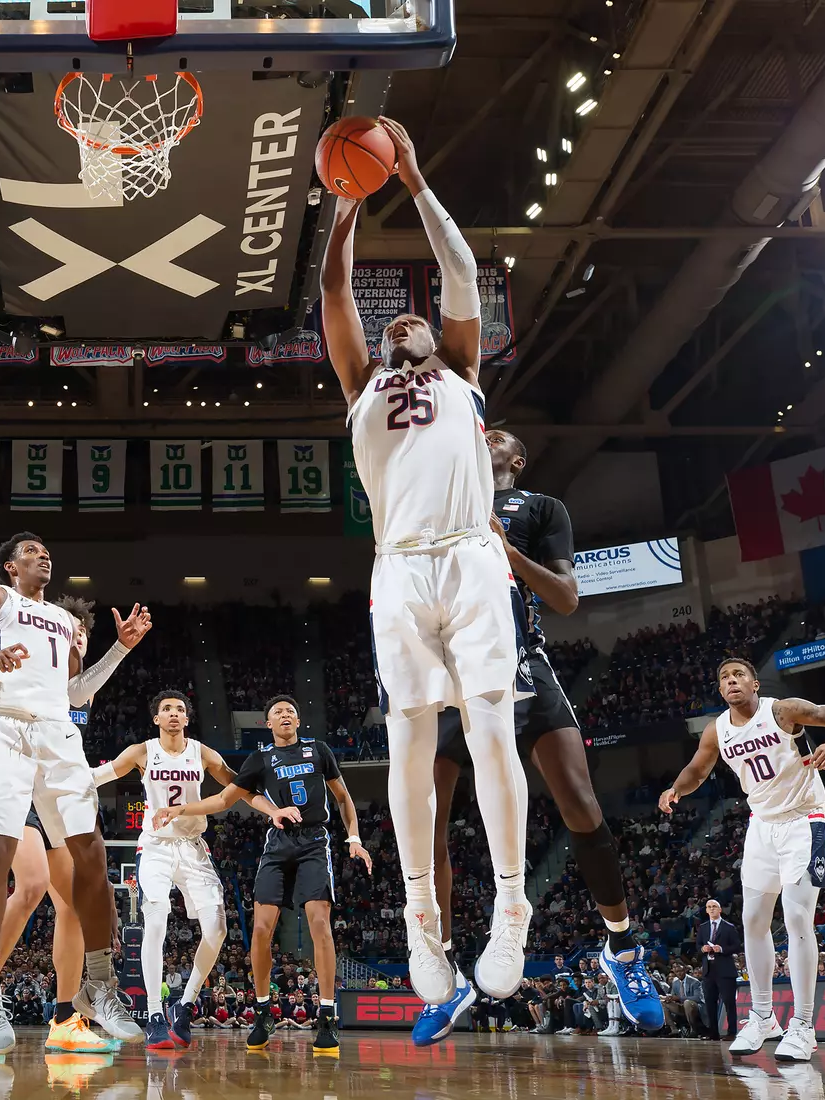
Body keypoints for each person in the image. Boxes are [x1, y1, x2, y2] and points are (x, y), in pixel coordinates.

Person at [321, 115, 532, 1008]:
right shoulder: (360, 383)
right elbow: (334, 289)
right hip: (399, 565)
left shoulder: (462, 370)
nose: (403, 317)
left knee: (490, 729)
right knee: (407, 740)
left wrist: (410, 177)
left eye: (414, 316)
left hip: (473, 553)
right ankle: (421, 918)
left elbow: (461, 271)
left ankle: (512, 907)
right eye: (393, 321)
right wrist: (344, 206)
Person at [416, 428, 662, 1046]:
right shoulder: (443, 503)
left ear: (516, 460)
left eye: (497, 435)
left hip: (523, 663)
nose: (484, 436)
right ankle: (446, 970)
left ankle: (622, 949)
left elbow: (567, 597)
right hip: (452, 675)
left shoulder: (541, 508)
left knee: (579, 800)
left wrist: (507, 552)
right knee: (430, 821)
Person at [0, 532, 150, 1053]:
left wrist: (121, 647)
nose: (43, 554)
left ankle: (97, 987)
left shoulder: (66, 621)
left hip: (58, 734)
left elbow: (73, 693)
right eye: (30, 551)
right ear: (10, 566)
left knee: (92, 855)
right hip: (6, 728)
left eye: (46, 550)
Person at [660, 659, 825, 1063]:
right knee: (753, 921)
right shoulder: (717, 729)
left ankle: (803, 1025)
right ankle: (763, 1016)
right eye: (724, 677)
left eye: (738, 675)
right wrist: (676, 790)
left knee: (796, 917)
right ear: (720, 690)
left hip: (804, 819)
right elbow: (697, 769)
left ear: (755, 683)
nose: (731, 681)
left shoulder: (783, 710)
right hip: (761, 825)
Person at [152, 695, 369, 1057]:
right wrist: (181, 809)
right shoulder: (261, 758)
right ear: (268, 724)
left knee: (320, 923)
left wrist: (354, 838)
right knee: (261, 929)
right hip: (278, 844)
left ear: (298, 721)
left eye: (290, 712)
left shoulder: (319, 750)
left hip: (314, 842)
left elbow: (344, 798)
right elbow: (224, 800)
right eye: (277, 712)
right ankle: (264, 1011)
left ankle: (327, 1015)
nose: (285, 715)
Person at [0, 595, 128, 1055]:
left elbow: (77, 695)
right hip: (17, 774)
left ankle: (65, 1018)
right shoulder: (30, 656)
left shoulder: (77, 685)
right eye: (72, 629)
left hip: (53, 785)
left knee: (73, 905)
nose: (77, 637)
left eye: (83, 634)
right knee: (32, 884)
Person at [94, 688, 269, 1049]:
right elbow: (98, 776)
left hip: (192, 847)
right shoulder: (142, 752)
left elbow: (238, 787)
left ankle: (184, 1005)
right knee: (156, 917)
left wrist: (272, 806)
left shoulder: (202, 753)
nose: (173, 713)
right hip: (155, 847)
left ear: (187, 718)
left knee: (217, 929)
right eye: (167, 709)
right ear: (156, 718)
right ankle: (155, 1015)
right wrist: (54, 777)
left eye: (179, 709)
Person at [697, 899, 742, 1041]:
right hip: (709, 970)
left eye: (714, 906)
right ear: (706, 910)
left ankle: (732, 1032)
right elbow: (697, 946)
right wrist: (702, 949)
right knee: (710, 1002)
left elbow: (737, 946)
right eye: (709, 907)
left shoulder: (729, 927)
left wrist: (722, 949)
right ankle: (713, 1033)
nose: (712, 909)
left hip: (725, 971)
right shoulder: (703, 927)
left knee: (729, 1002)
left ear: (720, 909)